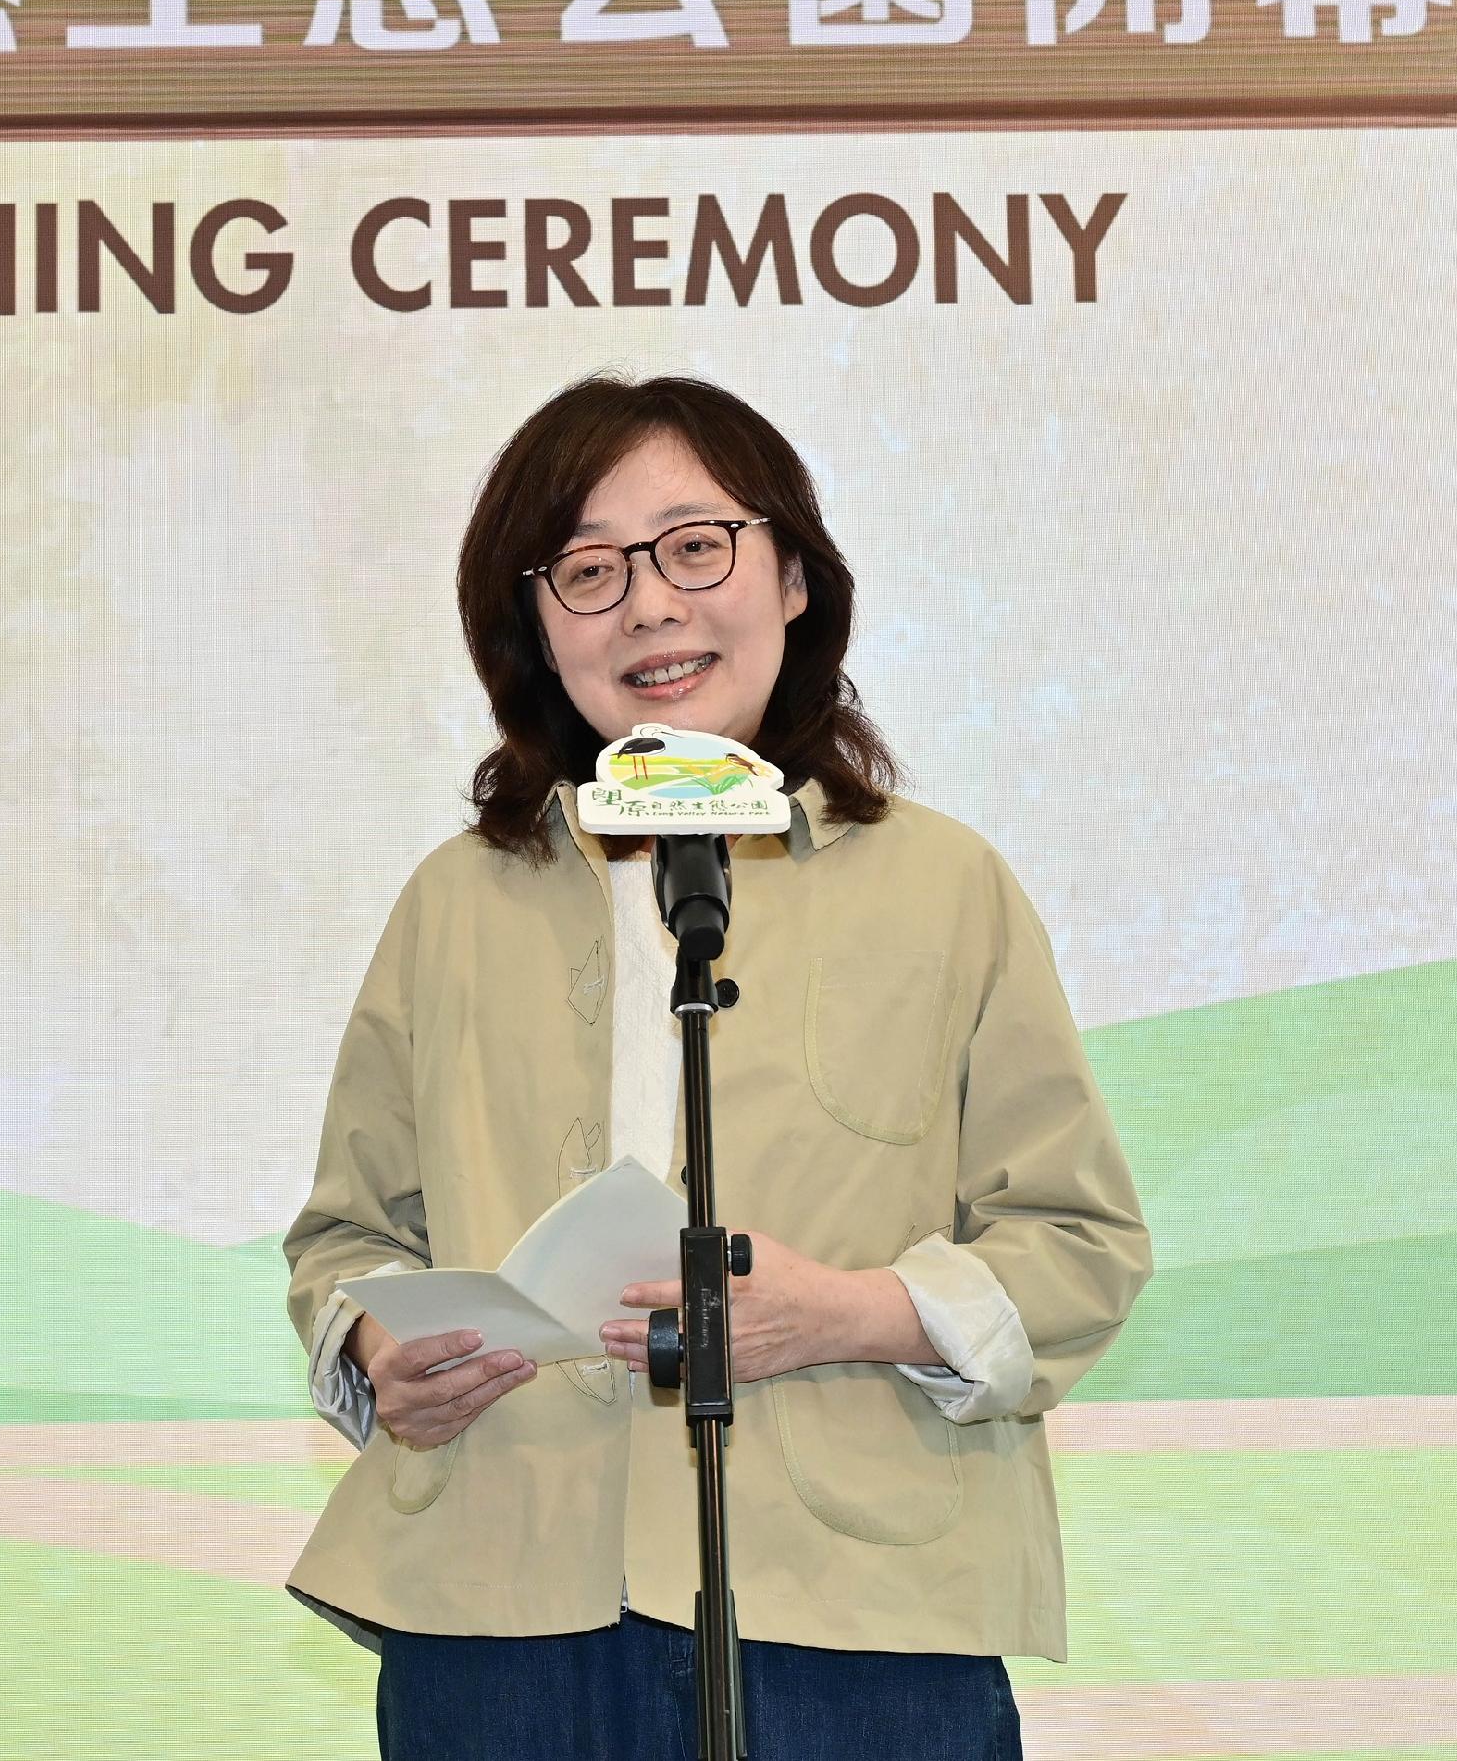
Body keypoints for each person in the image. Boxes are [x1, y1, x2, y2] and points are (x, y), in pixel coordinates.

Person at [283, 374, 1151, 1761]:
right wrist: (381, 1344)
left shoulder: (946, 888)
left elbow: (1081, 1244)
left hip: (856, 1622)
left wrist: (855, 1313)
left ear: (792, 574)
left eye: (696, 547)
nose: (650, 605)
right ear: (534, 626)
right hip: (498, 1620)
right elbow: (349, 1239)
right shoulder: (456, 903)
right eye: (589, 570)